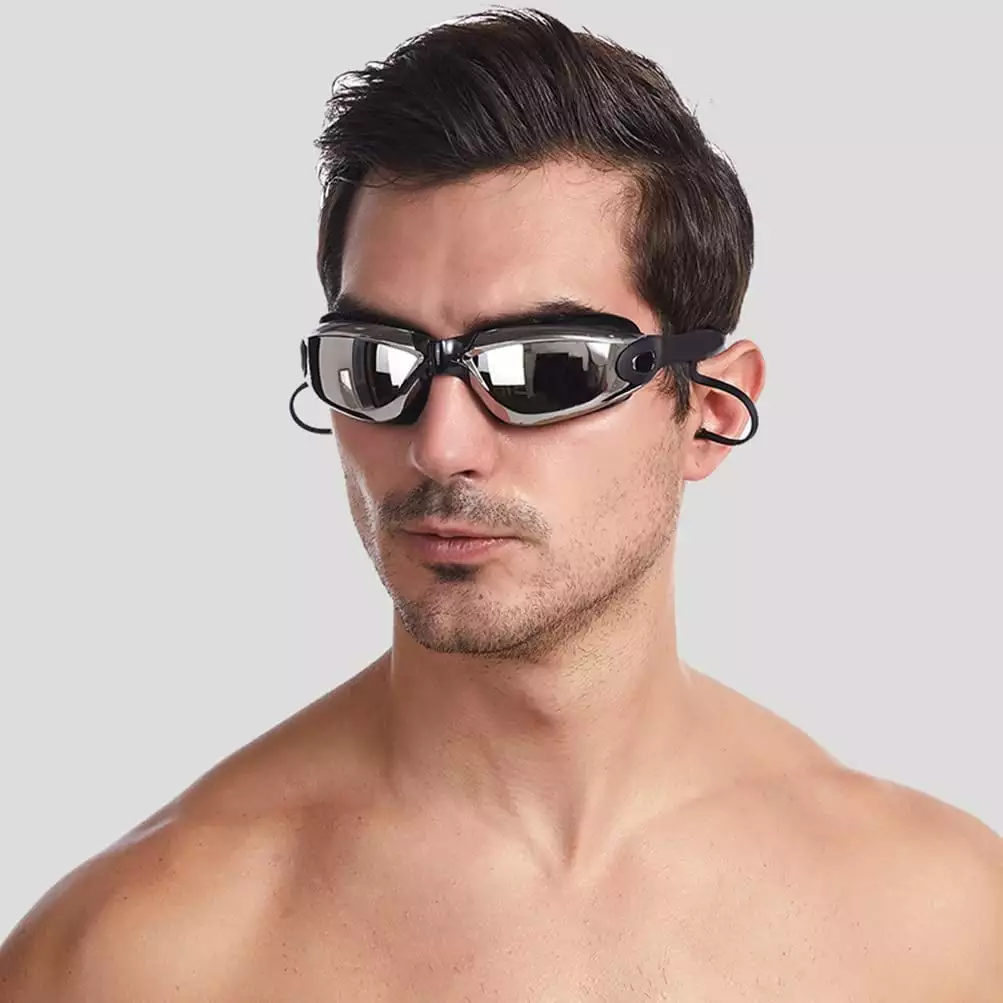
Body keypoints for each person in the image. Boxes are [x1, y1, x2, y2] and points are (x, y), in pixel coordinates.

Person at [2, 8, 1001, 1000]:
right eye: (377, 364)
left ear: (709, 409)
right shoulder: (137, 956)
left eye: (547, 368)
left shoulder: (938, 922)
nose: (438, 444)